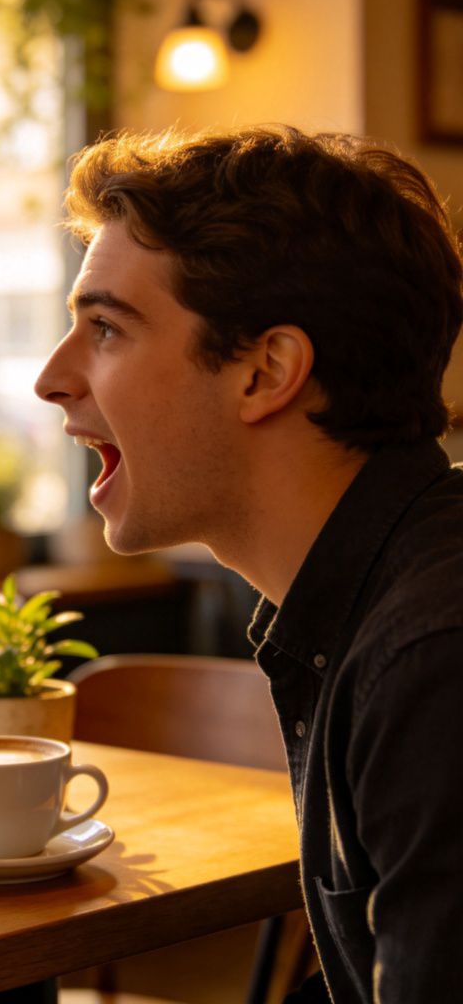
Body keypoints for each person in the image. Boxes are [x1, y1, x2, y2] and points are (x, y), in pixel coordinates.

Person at [35, 125, 463, 1002]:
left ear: (266, 372)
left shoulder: (431, 655)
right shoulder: (382, 604)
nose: (51, 377)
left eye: (106, 328)